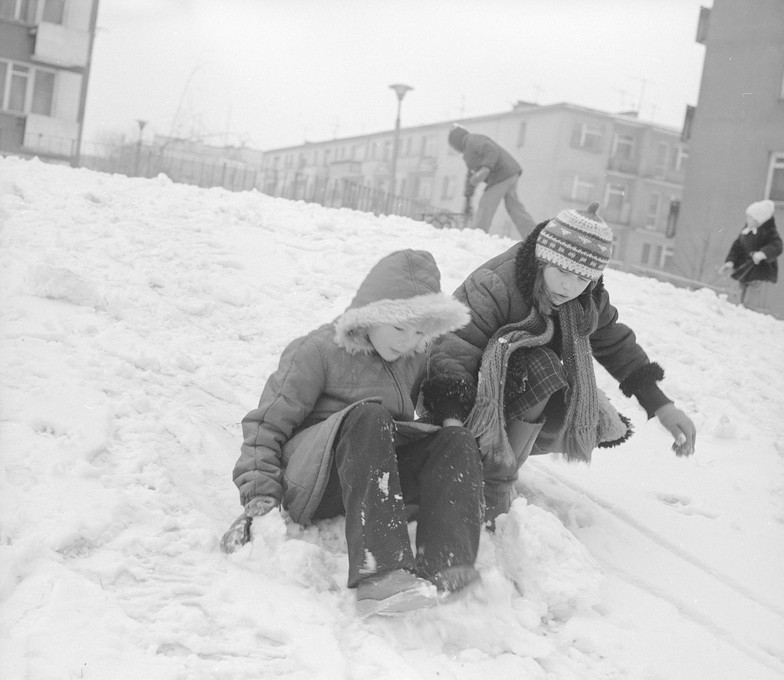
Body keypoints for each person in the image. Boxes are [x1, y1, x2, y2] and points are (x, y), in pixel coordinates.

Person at [219, 249, 485, 616]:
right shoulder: (318, 351)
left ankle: (446, 566)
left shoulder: (410, 358)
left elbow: (438, 393)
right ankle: (382, 573)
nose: (406, 341)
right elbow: (266, 425)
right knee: (369, 416)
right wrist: (259, 497)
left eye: (418, 332)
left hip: (371, 479)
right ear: (371, 315)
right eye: (398, 328)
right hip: (315, 481)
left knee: (456, 439)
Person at [422, 202, 697, 528]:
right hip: (456, 392)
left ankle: (499, 471)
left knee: (581, 408)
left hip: (516, 390)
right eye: (562, 271)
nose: (569, 286)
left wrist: (661, 405)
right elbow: (455, 350)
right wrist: (453, 429)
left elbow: (616, 345)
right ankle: (491, 472)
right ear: (542, 259)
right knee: (543, 365)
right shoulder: (495, 283)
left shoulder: (585, 299)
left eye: (581, 278)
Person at [448, 124, 536, 240]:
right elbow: (471, 176)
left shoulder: (472, 140)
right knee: (514, 207)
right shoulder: (468, 152)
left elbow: (491, 149)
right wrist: (468, 197)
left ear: (456, 142)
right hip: (511, 172)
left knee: (486, 203)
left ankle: (477, 236)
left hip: (501, 174)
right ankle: (534, 236)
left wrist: (486, 167)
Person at [717, 199, 783, 306]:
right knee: (739, 295)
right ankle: (739, 309)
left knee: (751, 297)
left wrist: (763, 253)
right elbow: (737, 247)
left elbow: (777, 246)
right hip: (746, 269)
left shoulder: (768, 232)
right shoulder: (746, 231)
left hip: (760, 272)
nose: (747, 220)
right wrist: (730, 261)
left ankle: (749, 309)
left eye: (750, 217)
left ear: (758, 219)